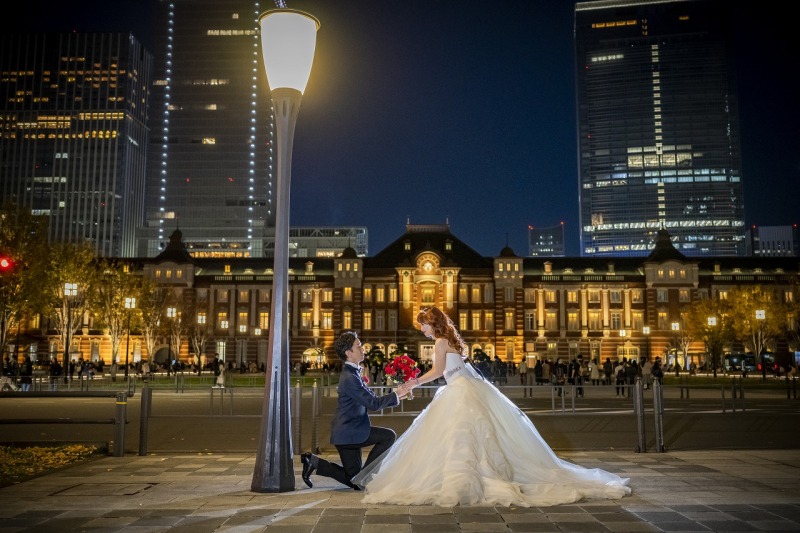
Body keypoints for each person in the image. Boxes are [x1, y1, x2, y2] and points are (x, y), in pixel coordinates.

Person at [351, 306, 631, 507]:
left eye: (422, 325)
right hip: (467, 388)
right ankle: (479, 473)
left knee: (458, 436)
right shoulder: (449, 340)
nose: (421, 329)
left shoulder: (439, 342)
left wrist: (412, 383)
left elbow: (437, 372)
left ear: (431, 324)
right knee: (478, 435)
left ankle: (466, 478)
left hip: (457, 391)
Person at [300, 330, 410, 490]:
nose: (362, 349)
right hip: (348, 433)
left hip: (352, 431)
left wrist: (399, 395)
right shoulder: (350, 377)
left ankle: (314, 462)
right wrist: (397, 394)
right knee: (388, 437)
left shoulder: (353, 373)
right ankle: (366, 475)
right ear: (348, 353)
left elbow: (370, 397)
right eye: (358, 346)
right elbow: (372, 403)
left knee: (356, 481)